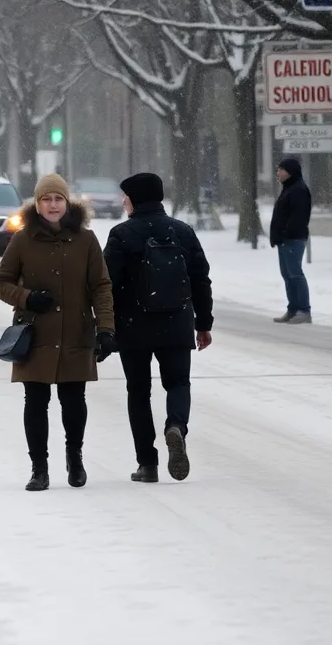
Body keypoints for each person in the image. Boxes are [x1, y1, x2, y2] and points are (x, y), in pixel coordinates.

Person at [0, 174, 116, 492]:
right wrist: (27, 297)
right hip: (35, 335)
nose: (52, 205)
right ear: (37, 203)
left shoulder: (86, 240)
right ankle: (39, 469)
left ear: (67, 202)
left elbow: (101, 286)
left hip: (76, 332)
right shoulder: (22, 240)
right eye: (46, 199)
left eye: (58, 198)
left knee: (74, 401)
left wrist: (105, 329)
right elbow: (1, 282)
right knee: (35, 401)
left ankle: (75, 458)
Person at [103, 173, 212, 484]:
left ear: (136, 199)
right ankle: (175, 426)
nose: (123, 201)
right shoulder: (183, 232)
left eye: (126, 196)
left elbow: (105, 284)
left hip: (133, 327)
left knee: (138, 393)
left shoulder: (122, 234)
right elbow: (200, 280)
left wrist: (105, 326)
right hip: (177, 323)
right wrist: (203, 324)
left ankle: (147, 464)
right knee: (178, 383)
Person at [270, 157, 312, 324]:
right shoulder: (289, 188)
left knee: (295, 274)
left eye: (281, 170)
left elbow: (298, 217)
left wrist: (286, 233)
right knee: (287, 274)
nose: (278, 173)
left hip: (293, 239)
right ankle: (293, 309)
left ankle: (304, 310)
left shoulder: (298, 189)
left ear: (290, 172)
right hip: (284, 239)